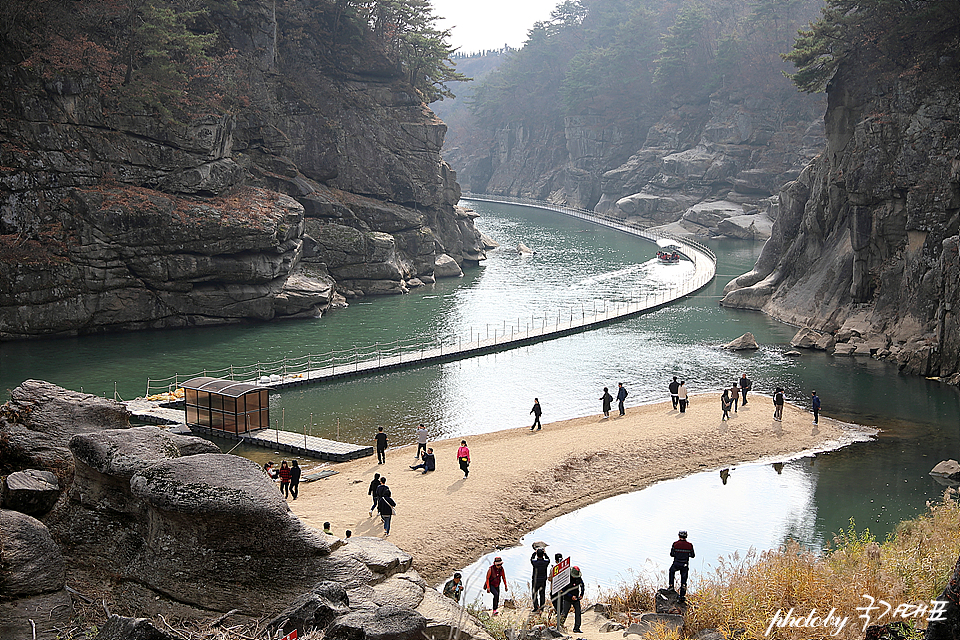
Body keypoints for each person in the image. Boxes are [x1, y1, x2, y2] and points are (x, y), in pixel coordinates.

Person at [668, 530, 695, 602]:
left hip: (676, 563)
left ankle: (671, 586)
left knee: (671, 571)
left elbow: (671, 554)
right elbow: (692, 555)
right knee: (684, 580)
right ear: (686, 536)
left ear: (679, 536)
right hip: (684, 564)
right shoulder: (690, 545)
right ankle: (682, 595)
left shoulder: (675, 544)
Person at [558, 566, 585, 633]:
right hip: (567, 598)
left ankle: (577, 628)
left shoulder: (579, 578)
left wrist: (581, 594)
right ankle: (560, 626)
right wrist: (571, 596)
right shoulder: (566, 578)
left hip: (576, 597)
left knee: (578, 612)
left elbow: (582, 585)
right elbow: (563, 590)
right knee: (564, 613)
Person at [530, 547, 550, 612]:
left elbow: (531, 559)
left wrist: (534, 553)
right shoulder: (545, 563)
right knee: (542, 594)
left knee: (534, 594)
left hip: (535, 580)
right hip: (543, 580)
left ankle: (536, 607)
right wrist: (545, 553)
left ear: (537, 555)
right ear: (543, 555)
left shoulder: (535, 563)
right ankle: (542, 608)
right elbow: (548, 559)